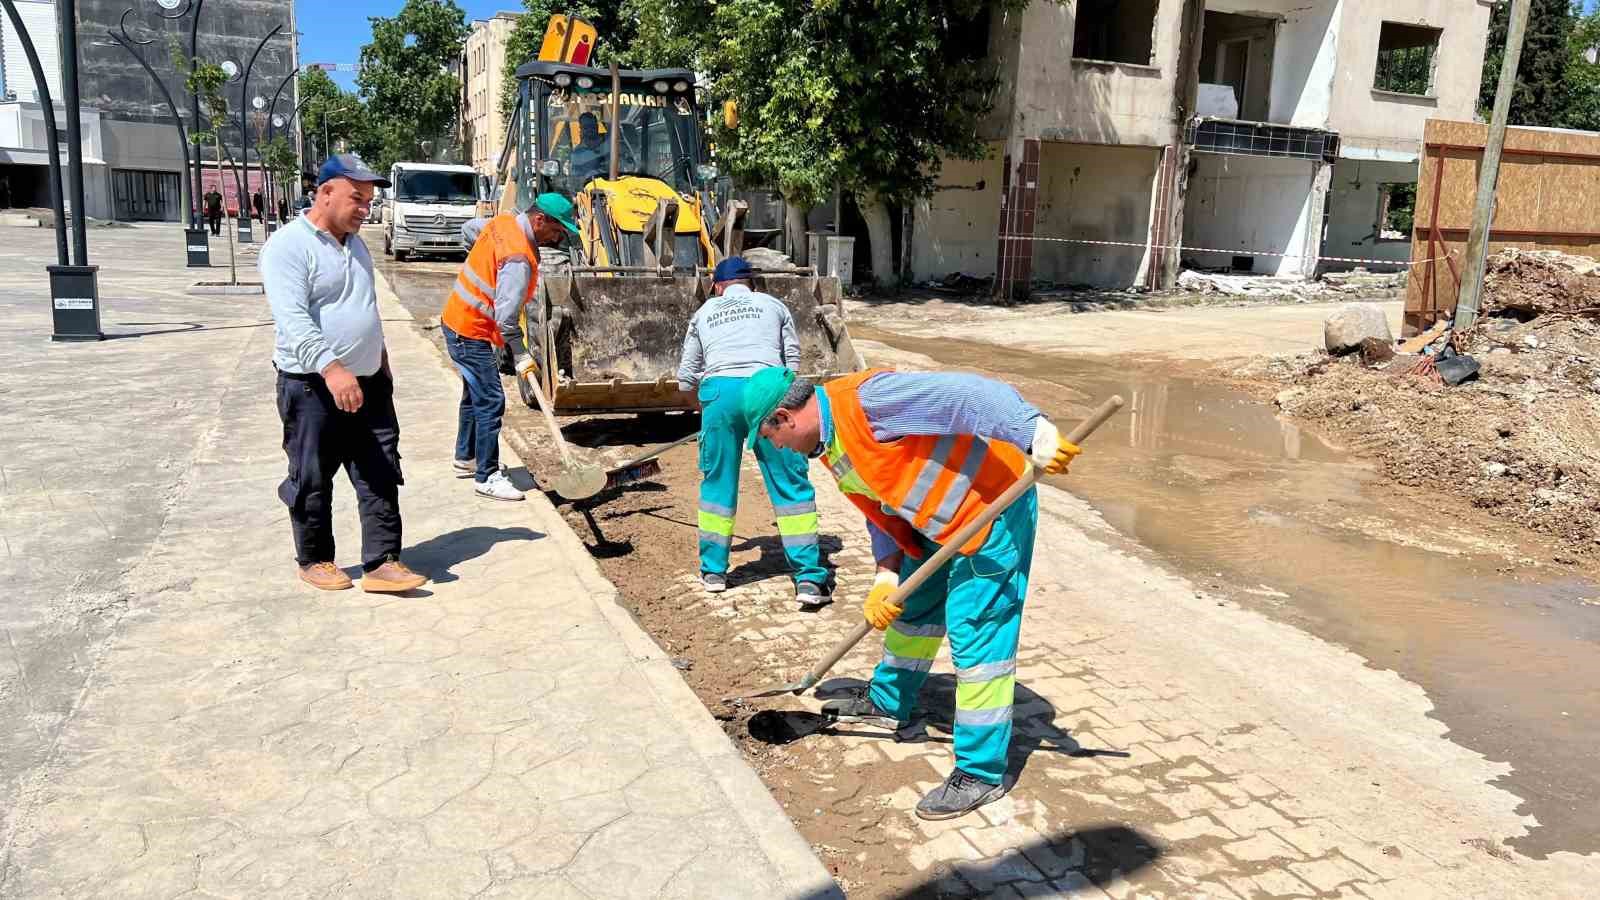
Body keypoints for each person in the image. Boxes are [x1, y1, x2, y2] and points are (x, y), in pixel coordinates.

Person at [749, 366, 1081, 819]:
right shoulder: (828, 442)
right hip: (931, 526)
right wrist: (887, 575)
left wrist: (1034, 433)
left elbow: (974, 396)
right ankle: (889, 701)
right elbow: (878, 504)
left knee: (977, 642)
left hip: (991, 511)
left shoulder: (871, 400)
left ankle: (981, 773)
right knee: (911, 611)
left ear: (784, 418)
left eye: (769, 437)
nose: (775, 447)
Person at [260, 154, 428, 594]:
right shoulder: (287, 246)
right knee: (313, 475)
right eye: (357, 198)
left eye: (369, 201)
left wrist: (381, 356)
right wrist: (333, 368)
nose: (365, 209)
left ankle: (383, 562)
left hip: (369, 382)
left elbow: (363, 305)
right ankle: (315, 558)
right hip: (313, 385)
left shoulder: (355, 243)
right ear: (325, 192)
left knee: (379, 469)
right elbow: (294, 320)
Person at [677, 257, 829, 604]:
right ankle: (808, 579)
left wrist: (709, 410)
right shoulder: (774, 305)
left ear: (718, 286)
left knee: (718, 482)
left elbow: (687, 375)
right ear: (752, 284)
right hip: (768, 390)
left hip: (720, 394)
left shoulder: (704, 312)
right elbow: (791, 364)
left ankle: (714, 571)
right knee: (789, 483)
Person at [440, 193, 579, 501]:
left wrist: (479, 261)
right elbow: (505, 319)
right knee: (491, 400)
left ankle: (467, 455)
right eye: (558, 230)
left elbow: (470, 231)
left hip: (457, 319)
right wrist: (520, 353)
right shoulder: (518, 258)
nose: (559, 237)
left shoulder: (503, 222)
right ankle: (487, 475)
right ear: (539, 220)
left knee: (473, 392)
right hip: (470, 330)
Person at [568, 112, 610, 186]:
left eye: (592, 126)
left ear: (597, 127)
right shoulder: (577, 153)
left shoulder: (610, 143)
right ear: (581, 129)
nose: (589, 130)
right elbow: (575, 179)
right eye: (586, 127)